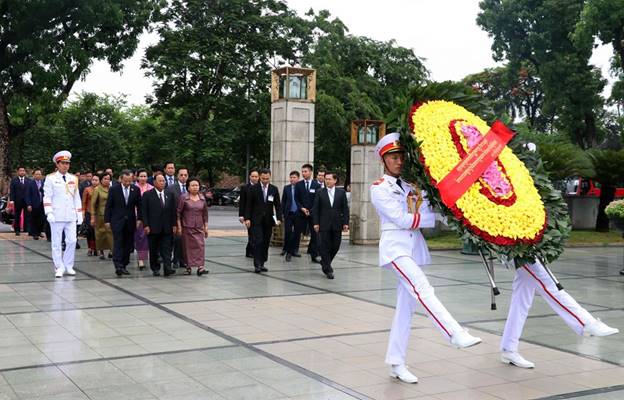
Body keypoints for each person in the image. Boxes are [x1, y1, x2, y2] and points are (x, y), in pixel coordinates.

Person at [370, 133, 481, 384]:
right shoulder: (378, 189)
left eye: (401, 157)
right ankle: (454, 333)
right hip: (395, 247)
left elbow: (432, 208)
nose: (399, 162)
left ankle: (396, 362)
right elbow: (402, 219)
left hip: (413, 247)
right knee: (422, 288)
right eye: (393, 158)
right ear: (384, 161)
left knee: (405, 308)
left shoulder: (413, 186)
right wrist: (430, 218)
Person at [500, 259, 619, 368]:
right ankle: (586, 323)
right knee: (549, 285)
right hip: (517, 247)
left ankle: (508, 348)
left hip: (524, 245)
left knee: (520, 302)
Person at [43, 151, 83, 278]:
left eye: (67, 163)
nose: (66, 166)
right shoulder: (50, 178)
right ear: (57, 164)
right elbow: (47, 197)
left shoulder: (73, 178)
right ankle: (59, 267)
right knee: (56, 243)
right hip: (56, 215)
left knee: (72, 241)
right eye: (63, 163)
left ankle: (68, 265)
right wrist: (49, 212)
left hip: (70, 215)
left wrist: (79, 214)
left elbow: (76, 197)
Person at [105, 170, 142, 277]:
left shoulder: (136, 189)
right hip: (117, 221)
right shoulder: (114, 189)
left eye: (129, 181)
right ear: (121, 179)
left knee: (128, 245)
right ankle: (118, 266)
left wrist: (139, 219)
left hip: (130, 221)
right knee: (118, 243)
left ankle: (124, 264)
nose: (127, 183)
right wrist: (107, 220)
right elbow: (109, 206)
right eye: (125, 181)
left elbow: (139, 206)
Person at [244, 168, 282, 273]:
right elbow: (248, 205)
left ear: (270, 177)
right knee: (258, 241)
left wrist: (279, 218)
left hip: (268, 221)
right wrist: (247, 218)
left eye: (267, 178)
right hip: (256, 220)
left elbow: (278, 205)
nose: (265, 180)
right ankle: (257, 264)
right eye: (263, 178)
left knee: (265, 242)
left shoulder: (274, 189)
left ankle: (262, 262)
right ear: (260, 177)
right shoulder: (253, 189)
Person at [312, 172, 349, 279]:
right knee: (324, 247)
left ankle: (324, 261)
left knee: (335, 246)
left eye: (329, 179)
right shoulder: (320, 192)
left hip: (337, 224)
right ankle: (328, 269)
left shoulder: (341, 192)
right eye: (326, 179)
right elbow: (316, 209)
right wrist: (316, 223)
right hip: (323, 224)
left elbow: (345, 209)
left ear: (335, 180)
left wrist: (346, 222)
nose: (327, 181)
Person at [142, 174, 176, 277]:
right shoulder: (147, 195)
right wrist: (146, 225)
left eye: (164, 181)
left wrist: (174, 224)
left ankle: (167, 268)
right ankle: (155, 268)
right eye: (160, 181)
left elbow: (173, 211)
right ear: (154, 182)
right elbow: (144, 212)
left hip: (167, 227)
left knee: (167, 249)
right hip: (153, 227)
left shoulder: (170, 194)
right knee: (154, 249)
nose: (163, 183)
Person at [176, 177, 209, 276]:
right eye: (193, 185)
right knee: (187, 248)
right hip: (187, 226)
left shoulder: (202, 198)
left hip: (199, 227)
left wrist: (206, 227)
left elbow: (205, 214)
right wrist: (179, 227)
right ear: (188, 187)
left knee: (200, 246)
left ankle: (200, 267)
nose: (195, 187)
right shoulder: (184, 197)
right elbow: (178, 213)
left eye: (197, 185)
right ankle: (188, 267)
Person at [295, 164, 321, 263]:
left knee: (314, 234)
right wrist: (302, 208)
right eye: (302, 171)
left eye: (305, 171)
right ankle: (292, 251)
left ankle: (314, 255)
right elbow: (296, 198)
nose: (303, 173)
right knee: (296, 232)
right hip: (301, 213)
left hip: (312, 214)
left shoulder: (316, 185)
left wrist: (311, 210)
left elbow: (317, 200)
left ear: (310, 172)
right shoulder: (298, 184)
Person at [167, 167, 189, 269]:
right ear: (177, 176)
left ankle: (183, 261)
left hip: (188, 219)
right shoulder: (171, 188)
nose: (183, 177)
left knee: (185, 241)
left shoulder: (191, 187)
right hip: (176, 218)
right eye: (181, 175)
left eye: (185, 175)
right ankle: (175, 260)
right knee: (177, 240)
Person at [90, 172, 113, 260]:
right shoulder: (97, 189)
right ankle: (101, 251)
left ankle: (112, 251)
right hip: (100, 215)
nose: (107, 181)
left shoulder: (112, 189)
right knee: (100, 234)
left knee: (111, 233)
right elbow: (92, 204)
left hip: (111, 215)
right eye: (105, 179)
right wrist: (92, 216)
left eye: (108, 179)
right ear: (101, 180)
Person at [134, 169, 153, 269]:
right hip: (136, 215)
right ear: (137, 177)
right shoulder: (134, 187)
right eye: (141, 176)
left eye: (145, 176)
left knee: (148, 237)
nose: (143, 178)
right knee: (140, 237)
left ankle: (149, 256)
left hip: (149, 216)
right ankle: (140, 259)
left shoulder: (151, 188)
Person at [281, 171, 301, 262]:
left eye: (294, 177)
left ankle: (295, 250)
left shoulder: (301, 188)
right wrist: (281, 213)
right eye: (291, 177)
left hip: (298, 213)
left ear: (298, 178)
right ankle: (286, 249)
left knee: (297, 233)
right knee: (288, 232)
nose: (292, 179)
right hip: (288, 213)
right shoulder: (286, 188)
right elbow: (283, 201)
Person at [239, 169, 259, 258]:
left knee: (256, 234)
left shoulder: (260, 187)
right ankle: (251, 251)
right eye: (253, 176)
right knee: (251, 234)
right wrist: (241, 215)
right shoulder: (244, 188)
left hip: (258, 215)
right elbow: (242, 202)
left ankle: (250, 250)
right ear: (249, 177)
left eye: (256, 176)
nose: (254, 178)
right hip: (248, 215)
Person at [25, 168, 45, 240]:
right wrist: (29, 204)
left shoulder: (43, 183)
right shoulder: (30, 183)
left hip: (42, 204)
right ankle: (35, 233)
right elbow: (27, 195)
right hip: (33, 204)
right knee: (34, 219)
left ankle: (39, 232)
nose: (38, 175)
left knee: (41, 219)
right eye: (36, 174)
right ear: (33, 175)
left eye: (39, 174)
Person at [9, 166, 30, 236]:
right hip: (17, 201)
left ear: (25, 172)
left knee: (27, 215)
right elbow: (12, 191)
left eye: (23, 170)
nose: (22, 172)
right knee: (17, 216)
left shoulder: (28, 180)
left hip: (26, 201)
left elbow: (30, 191)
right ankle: (17, 230)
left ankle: (26, 229)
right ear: (18, 172)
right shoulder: (14, 180)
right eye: (20, 170)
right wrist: (12, 200)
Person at [82, 174, 99, 256]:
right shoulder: (87, 189)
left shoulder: (101, 189)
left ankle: (97, 248)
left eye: (96, 180)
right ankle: (90, 248)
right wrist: (83, 213)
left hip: (98, 213)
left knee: (97, 231)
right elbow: (84, 202)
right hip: (89, 212)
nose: (94, 181)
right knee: (90, 231)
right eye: (93, 180)